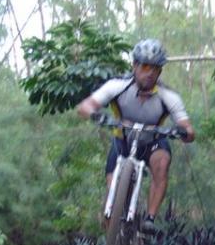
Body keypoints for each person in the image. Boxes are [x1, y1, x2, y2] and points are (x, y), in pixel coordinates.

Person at [77, 38, 195, 234]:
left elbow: (188, 128)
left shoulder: (169, 96)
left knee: (162, 162)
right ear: (135, 65)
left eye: (155, 68)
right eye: (145, 66)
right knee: (113, 201)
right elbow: (85, 106)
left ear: (160, 71)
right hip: (122, 143)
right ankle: (113, 243)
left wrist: (184, 132)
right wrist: (95, 114)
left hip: (153, 143)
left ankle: (150, 217)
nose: (150, 72)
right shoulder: (117, 86)